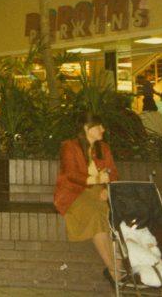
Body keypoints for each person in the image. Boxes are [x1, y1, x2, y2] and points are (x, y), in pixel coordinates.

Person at [53, 115, 120, 285]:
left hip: (98, 191)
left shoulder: (103, 147)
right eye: (99, 126)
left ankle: (115, 269)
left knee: (109, 215)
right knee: (96, 214)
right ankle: (113, 269)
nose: (103, 130)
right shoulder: (69, 146)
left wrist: (106, 188)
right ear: (86, 128)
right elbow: (71, 174)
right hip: (74, 192)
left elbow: (113, 172)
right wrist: (97, 180)